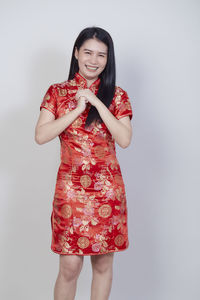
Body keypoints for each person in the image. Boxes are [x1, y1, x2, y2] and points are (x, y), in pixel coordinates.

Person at [35, 26, 133, 300]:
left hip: (107, 190)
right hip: (70, 191)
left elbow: (124, 139)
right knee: (69, 266)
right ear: (76, 53)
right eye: (88, 52)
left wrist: (97, 103)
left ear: (108, 59)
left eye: (101, 55)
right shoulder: (56, 92)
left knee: (103, 264)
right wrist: (78, 109)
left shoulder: (118, 95)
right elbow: (41, 135)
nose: (93, 60)